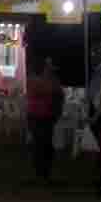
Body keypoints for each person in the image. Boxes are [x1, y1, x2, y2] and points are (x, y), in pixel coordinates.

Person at [25, 54, 63, 184]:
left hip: (42, 116)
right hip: (41, 116)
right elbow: (55, 94)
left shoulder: (41, 80)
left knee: (42, 145)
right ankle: (42, 174)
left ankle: (42, 173)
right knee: (41, 145)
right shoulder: (42, 81)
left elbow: (57, 95)